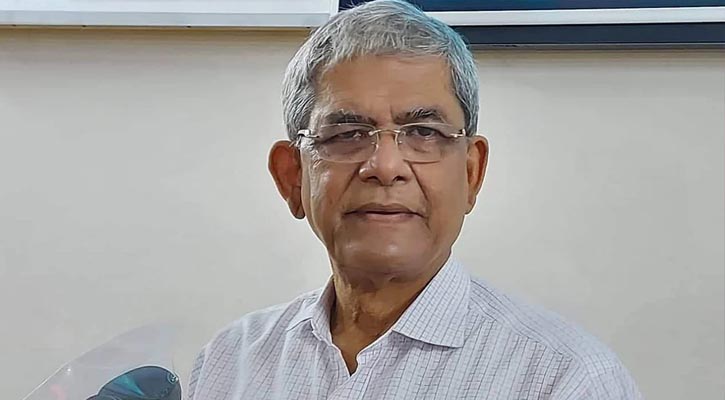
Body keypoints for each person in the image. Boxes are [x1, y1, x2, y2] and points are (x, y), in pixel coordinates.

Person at [188, 1, 642, 398]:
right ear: (292, 177)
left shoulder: (565, 379)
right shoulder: (232, 362)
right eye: (347, 134)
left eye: (424, 132)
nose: (386, 166)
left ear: (471, 172)